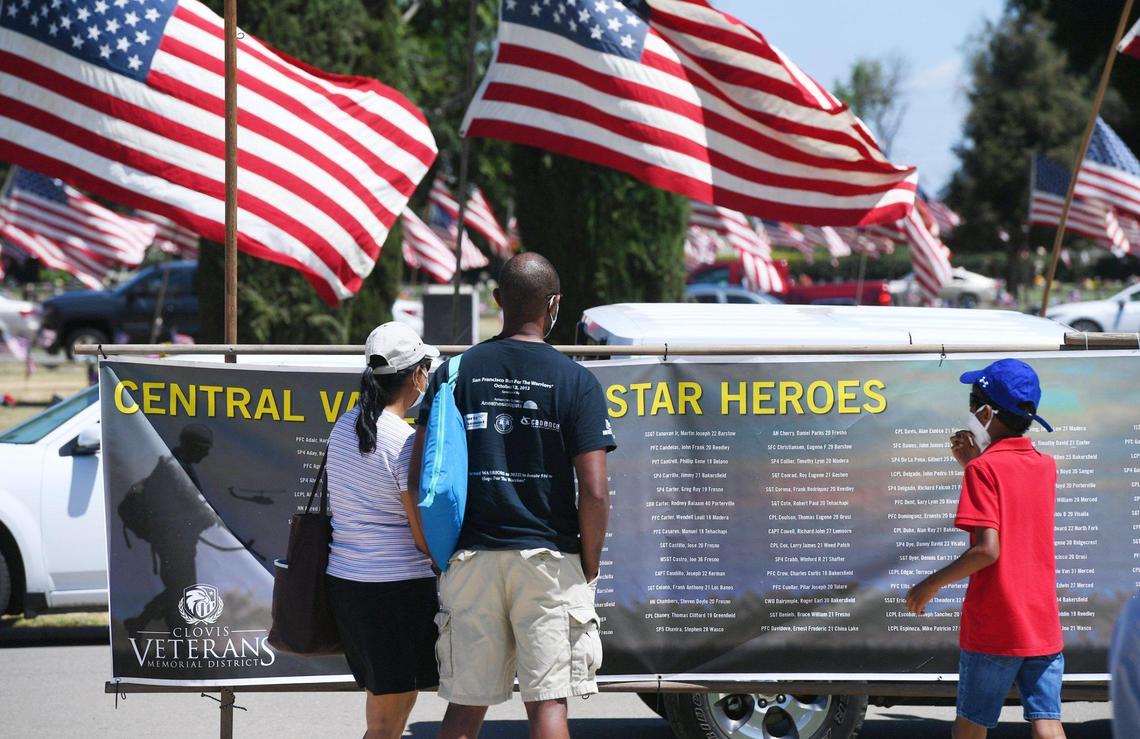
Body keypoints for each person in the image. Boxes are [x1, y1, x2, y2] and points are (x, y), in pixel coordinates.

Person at [410, 253, 616, 739]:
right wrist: (589, 560)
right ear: (555, 305)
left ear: (498, 300)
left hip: (471, 557)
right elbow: (595, 490)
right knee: (547, 706)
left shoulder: (455, 372)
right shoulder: (577, 381)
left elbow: (421, 472)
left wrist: (436, 550)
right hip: (548, 559)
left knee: (464, 707)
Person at [906, 359, 1065, 739]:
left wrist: (930, 584)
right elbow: (1013, 499)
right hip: (1041, 622)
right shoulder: (1046, 466)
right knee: (1048, 723)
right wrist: (975, 464)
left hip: (996, 624)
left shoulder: (983, 471)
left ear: (987, 411)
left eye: (972, 403)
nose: (971, 413)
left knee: (970, 727)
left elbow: (987, 551)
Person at [325, 322, 440, 739]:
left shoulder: (343, 426)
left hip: (350, 585)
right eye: (426, 367)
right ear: (416, 375)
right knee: (386, 723)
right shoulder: (405, 441)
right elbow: (421, 535)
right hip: (396, 592)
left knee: (390, 706)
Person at [124, 423, 216, 632]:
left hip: (176, 543)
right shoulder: (174, 469)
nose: (206, 454)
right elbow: (187, 507)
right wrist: (207, 517)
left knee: (180, 591)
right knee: (182, 593)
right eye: (204, 448)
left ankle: (142, 623)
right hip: (174, 544)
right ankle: (167, 635)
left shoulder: (175, 465)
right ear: (192, 445)